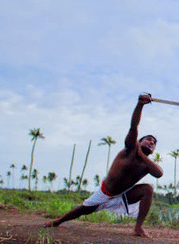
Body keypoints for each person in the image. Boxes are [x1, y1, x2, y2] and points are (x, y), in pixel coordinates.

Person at [44, 93, 163, 238]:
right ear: (139, 141)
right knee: (83, 209)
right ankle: (58, 221)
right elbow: (134, 126)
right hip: (105, 192)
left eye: (154, 143)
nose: (151, 142)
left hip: (123, 195)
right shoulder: (130, 149)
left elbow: (159, 173)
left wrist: (142, 156)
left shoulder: (147, 164)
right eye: (148, 139)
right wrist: (140, 105)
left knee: (148, 189)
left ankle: (138, 228)